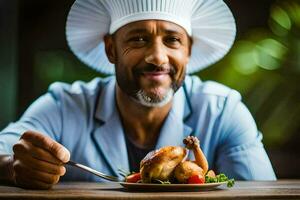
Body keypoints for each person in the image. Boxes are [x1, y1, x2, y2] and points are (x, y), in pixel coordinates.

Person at [0, 0, 276, 189]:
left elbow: (265, 192)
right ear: (111, 50)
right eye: (138, 39)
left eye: (172, 40)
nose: (157, 57)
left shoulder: (223, 110)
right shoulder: (64, 105)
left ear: (188, 50)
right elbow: (5, 151)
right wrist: (13, 166)